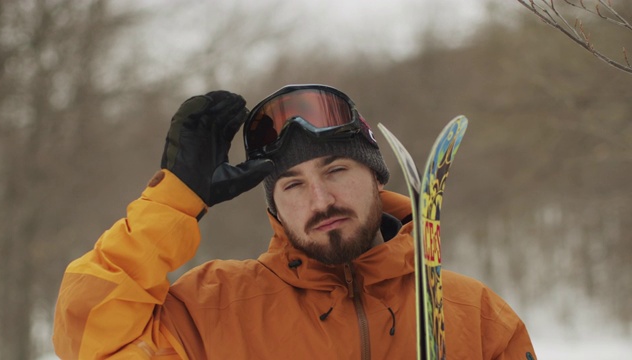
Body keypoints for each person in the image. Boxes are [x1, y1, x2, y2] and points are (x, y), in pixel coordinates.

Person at [53, 84, 537, 359]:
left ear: (376, 177)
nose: (320, 200)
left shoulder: (472, 314)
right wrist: (173, 206)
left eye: (337, 171)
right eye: (293, 185)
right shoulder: (211, 311)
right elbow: (89, 341)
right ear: (274, 207)